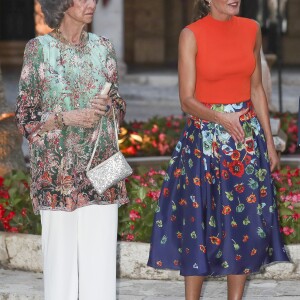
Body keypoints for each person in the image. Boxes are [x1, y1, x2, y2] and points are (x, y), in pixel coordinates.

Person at [147, 0, 290, 299]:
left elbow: (256, 90)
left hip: (245, 143)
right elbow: (186, 99)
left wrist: (268, 141)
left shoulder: (252, 29)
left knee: (245, 224)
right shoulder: (191, 34)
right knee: (198, 225)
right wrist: (221, 118)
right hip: (203, 143)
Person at [15, 0, 128, 299]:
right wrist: (66, 118)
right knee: (60, 267)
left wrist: (109, 106)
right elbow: (25, 118)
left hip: (101, 170)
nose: (91, 4)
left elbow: (118, 104)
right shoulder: (38, 49)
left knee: (100, 265)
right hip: (57, 174)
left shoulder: (104, 47)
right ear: (62, 4)